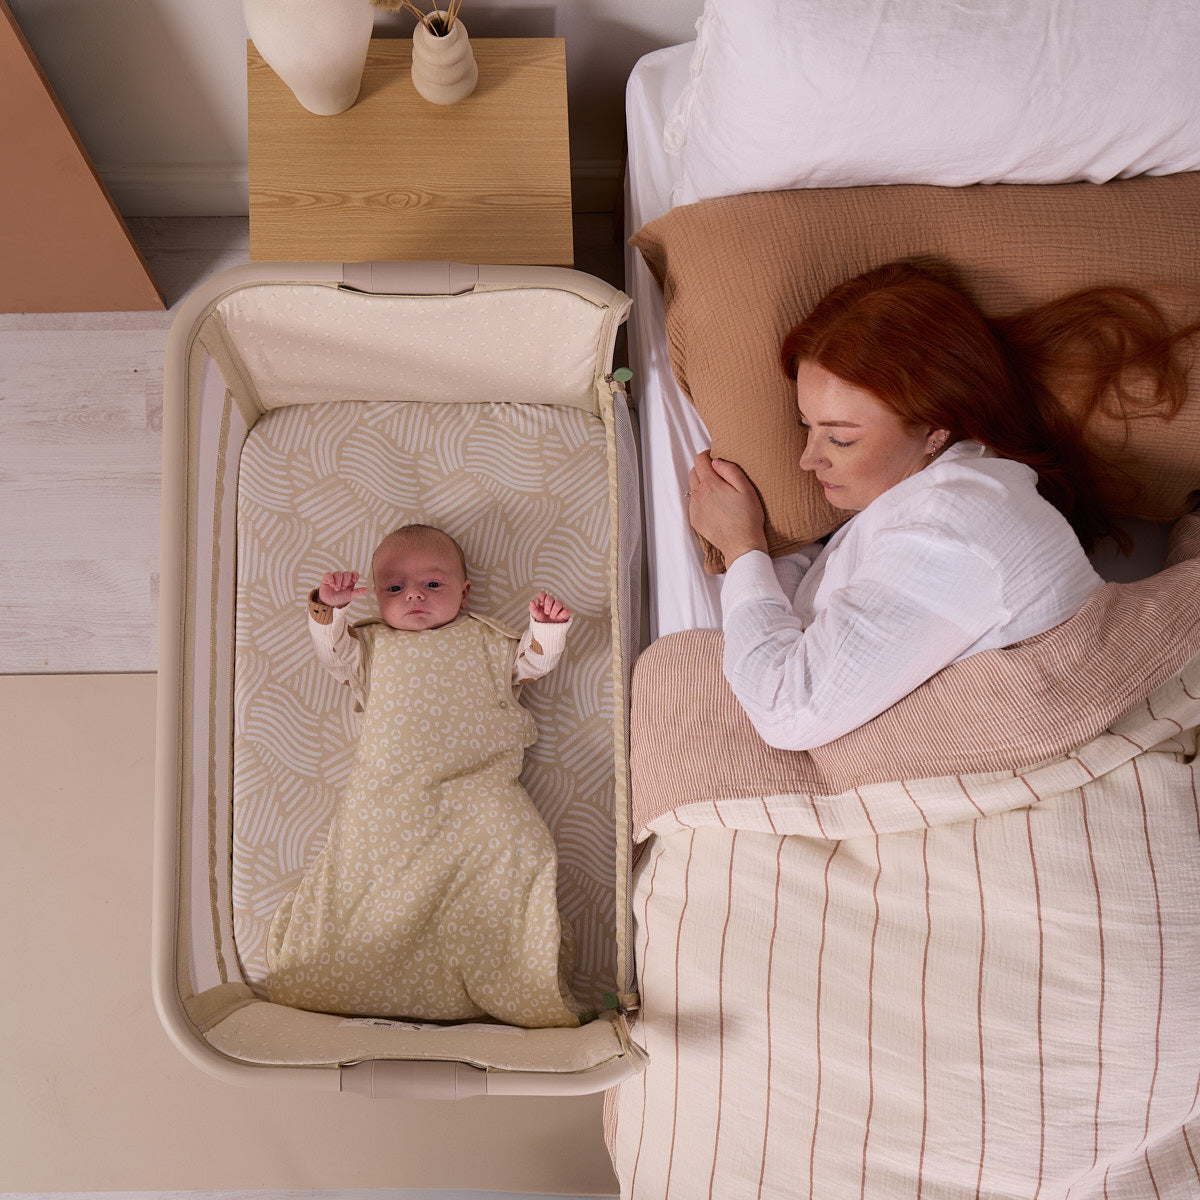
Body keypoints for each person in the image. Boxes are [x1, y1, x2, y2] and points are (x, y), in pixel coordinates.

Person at [687, 260, 1197, 751]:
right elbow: (814, 607)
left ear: (935, 427)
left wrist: (742, 548)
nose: (807, 459)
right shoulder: (940, 491)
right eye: (806, 425)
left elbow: (784, 711)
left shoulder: (952, 532)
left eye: (840, 438)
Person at [264, 522, 581, 1028]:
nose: (413, 595)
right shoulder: (370, 646)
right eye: (394, 587)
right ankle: (346, 969)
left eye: (432, 584)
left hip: (478, 785)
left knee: (518, 839)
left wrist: (546, 631)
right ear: (378, 596)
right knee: (366, 866)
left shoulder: (487, 640)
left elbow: (532, 665)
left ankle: (511, 972)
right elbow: (332, 653)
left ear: (464, 592)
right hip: (389, 794)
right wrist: (330, 609)